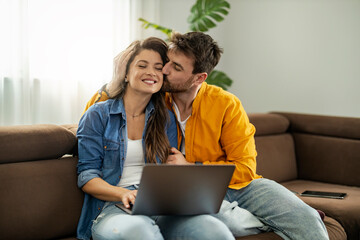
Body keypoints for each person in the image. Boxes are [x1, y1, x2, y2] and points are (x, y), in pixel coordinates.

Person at [83, 32, 329, 240]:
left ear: (199, 78)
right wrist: (114, 83)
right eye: (167, 62)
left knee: (303, 217)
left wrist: (191, 167)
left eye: (174, 67)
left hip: (236, 185)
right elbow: (104, 114)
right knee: (222, 221)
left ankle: (275, 216)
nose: (164, 70)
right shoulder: (157, 100)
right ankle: (257, 220)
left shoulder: (225, 104)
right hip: (184, 191)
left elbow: (245, 168)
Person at [76, 37, 234, 240]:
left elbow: (168, 174)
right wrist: (123, 193)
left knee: (214, 229)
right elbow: (87, 177)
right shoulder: (98, 115)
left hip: (160, 207)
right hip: (113, 209)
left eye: (158, 68)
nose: (151, 72)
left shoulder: (165, 118)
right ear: (125, 74)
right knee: (141, 232)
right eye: (142, 65)